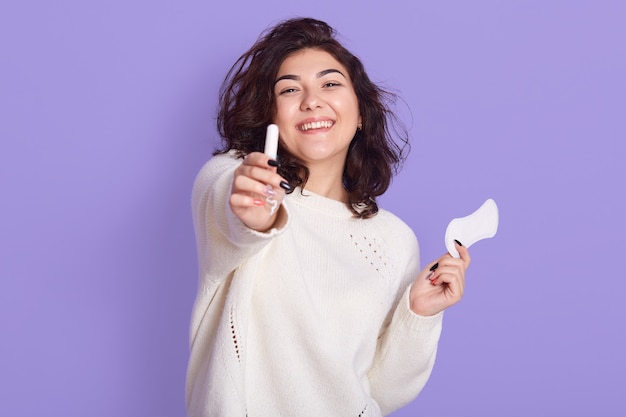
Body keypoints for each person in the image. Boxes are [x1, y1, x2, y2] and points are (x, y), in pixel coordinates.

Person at [186, 17, 470, 417]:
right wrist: (256, 216)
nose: (311, 100)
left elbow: (381, 392)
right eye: (289, 89)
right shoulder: (230, 177)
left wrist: (418, 314)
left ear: (360, 115)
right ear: (270, 116)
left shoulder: (394, 238)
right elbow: (235, 211)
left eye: (330, 83)